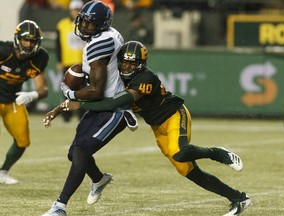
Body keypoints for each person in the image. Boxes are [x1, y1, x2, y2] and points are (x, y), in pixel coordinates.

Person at [47, 41, 253, 216]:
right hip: (157, 126)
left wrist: (79, 104)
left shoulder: (145, 79)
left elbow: (111, 103)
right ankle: (239, 198)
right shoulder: (116, 77)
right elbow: (96, 92)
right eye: (124, 62)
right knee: (187, 170)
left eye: (131, 63)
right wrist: (59, 108)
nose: (126, 67)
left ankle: (217, 153)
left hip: (174, 115)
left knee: (180, 153)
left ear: (141, 64)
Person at [42, 1, 137, 216]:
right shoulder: (107, 34)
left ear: (101, 25)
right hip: (101, 105)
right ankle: (99, 179)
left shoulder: (100, 43)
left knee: (82, 151)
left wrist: (70, 93)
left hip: (114, 108)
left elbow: (96, 90)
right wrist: (61, 106)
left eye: (89, 23)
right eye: (82, 21)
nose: (84, 27)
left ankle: (60, 206)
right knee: (73, 153)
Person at [0, 20, 49, 184]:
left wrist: (33, 95)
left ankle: (3, 172)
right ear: (17, 39)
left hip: (12, 101)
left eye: (32, 41)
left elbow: (44, 89)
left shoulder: (39, 57)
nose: (28, 44)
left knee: (22, 140)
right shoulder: (4, 51)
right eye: (25, 40)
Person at [55, 0, 86, 122]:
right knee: (67, 90)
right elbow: (58, 44)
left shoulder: (86, 25)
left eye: (79, 9)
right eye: (75, 9)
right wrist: (59, 60)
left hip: (82, 63)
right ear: (70, 11)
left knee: (83, 91)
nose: (76, 12)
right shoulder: (62, 25)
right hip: (68, 62)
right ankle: (66, 115)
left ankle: (82, 114)